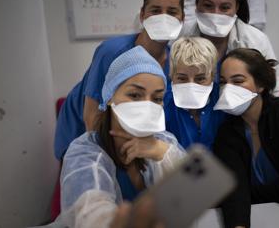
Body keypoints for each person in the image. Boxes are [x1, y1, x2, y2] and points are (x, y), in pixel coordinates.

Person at [51, 46, 186, 228]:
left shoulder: (164, 142)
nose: (147, 105)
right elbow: (90, 215)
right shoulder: (85, 152)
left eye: (156, 99)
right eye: (135, 95)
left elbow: (191, 195)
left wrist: (159, 151)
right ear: (109, 97)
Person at [54, 0, 185, 160]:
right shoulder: (112, 52)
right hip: (80, 130)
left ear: (182, 18)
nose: (163, 18)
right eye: (155, 11)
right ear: (142, 15)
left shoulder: (174, 62)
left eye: (172, 12)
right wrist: (107, 161)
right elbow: (92, 117)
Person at [212, 48, 279, 228]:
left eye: (238, 81)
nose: (228, 90)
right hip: (259, 215)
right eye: (223, 83)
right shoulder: (227, 131)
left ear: (260, 85)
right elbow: (233, 189)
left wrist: (249, 193)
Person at [180, 0, 279, 96]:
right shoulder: (181, 37)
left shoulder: (256, 41)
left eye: (225, 7)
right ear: (197, 4)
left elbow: (272, 93)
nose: (216, 13)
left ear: (236, 8)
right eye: (208, 5)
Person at [164, 37, 226, 149]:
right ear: (172, 76)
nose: (191, 85)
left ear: (212, 76)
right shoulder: (163, 104)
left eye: (200, 79)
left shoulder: (223, 102)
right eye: (182, 79)